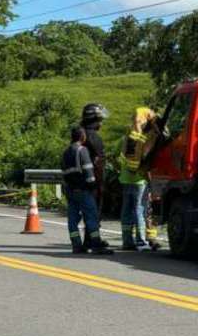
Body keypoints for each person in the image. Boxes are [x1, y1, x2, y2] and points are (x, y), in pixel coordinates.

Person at [62, 126, 114, 255]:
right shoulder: (82, 150)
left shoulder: (66, 152)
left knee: (73, 219)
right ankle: (96, 245)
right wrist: (93, 186)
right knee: (92, 217)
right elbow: (88, 171)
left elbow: (63, 173)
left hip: (70, 190)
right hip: (83, 190)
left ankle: (76, 245)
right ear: (81, 136)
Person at [119, 107, 162, 251]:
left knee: (126, 210)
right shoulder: (145, 138)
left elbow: (120, 157)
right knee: (140, 210)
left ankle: (126, 240)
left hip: (125, 179)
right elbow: (147, 160)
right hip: (139, 181)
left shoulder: (128, 136)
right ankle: (140, 241)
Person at [80, 103, 110, 248]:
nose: (101, 123)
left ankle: (88, 240)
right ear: (94, 119)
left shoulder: (81, 134)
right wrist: (100, 183)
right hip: (93, 181)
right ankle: (94, 241)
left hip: (82, 180)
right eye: (100, 119)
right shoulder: (93, 137)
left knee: (88, 212)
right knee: (94, 212)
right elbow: (99, 161)